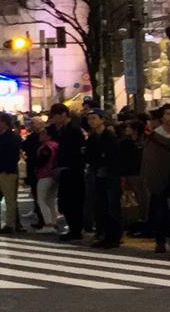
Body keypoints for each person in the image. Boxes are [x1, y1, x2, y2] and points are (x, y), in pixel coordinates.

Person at [83, 110, 123, 248]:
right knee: (101, 206)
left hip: (110, 176)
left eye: (94, 118)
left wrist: (102, 163)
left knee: (112, 207)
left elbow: (114, 157)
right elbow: (88, 155)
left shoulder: (109, 136)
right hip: (98, 174)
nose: (91, 121)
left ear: (102, 120)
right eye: (89, 119)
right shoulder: (93, 137)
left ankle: (114, 237)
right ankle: (105, 235)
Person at [141, 106, 170, 252]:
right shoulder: (154, 136)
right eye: (167, 114)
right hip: (159, 180)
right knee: (160, 211)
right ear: (161, 118)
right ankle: (160, 240)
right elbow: (150, 160)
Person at [49, 104, 86, 240]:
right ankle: (74, 228)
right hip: (63, 170)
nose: (54, 119)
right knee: (65, 202)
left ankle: (76, 230)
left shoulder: (74, 130)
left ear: (64, 115)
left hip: (73, 170)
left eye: (56, 116)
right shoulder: (58, 130)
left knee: (73, 201)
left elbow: (78, 152)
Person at [24, 114, 59, 233]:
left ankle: (48, 224)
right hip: (53, 175)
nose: (40, 135)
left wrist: (32, 162)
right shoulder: (55, 146)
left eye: (43, 134)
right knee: (50, 200)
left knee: (42, 200)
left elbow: (40, 162)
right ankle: (53, 223)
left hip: (44, 175)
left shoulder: (46, 147)